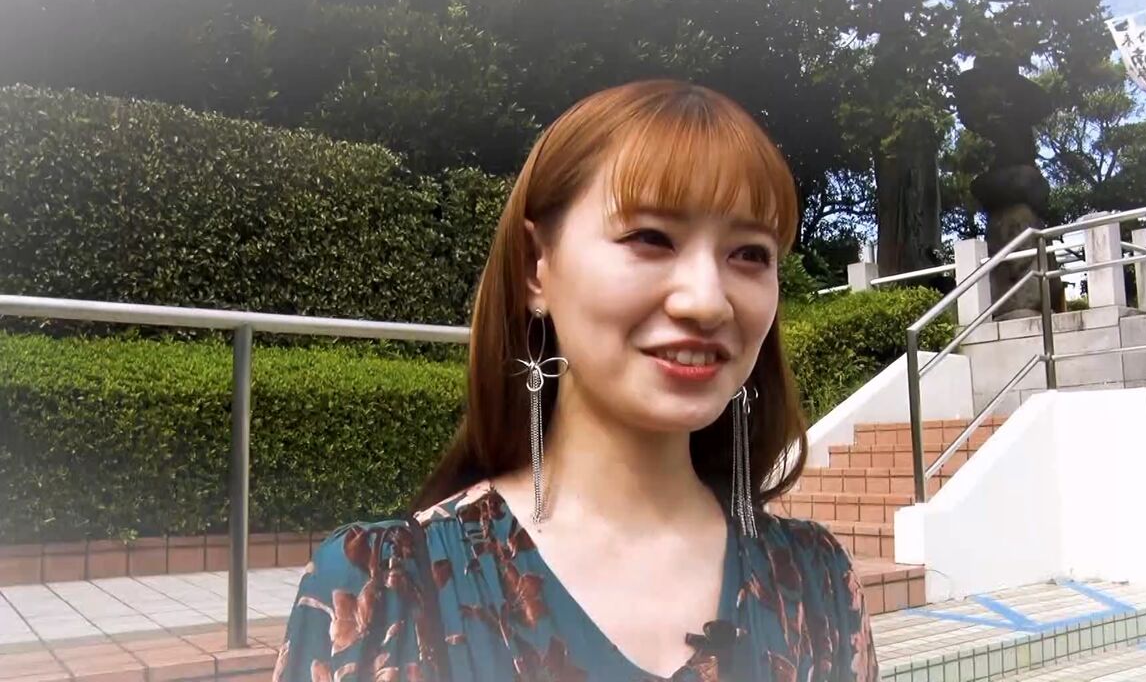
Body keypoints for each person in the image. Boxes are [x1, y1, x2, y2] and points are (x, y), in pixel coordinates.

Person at [272, 80, 879, 681]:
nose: (706, 301)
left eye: (749, 254)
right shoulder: (382, 593)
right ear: (535, 267)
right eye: (650, 238)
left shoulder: (817, 587)